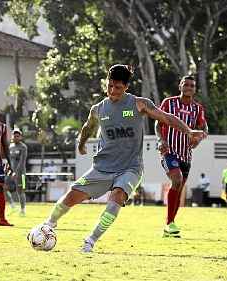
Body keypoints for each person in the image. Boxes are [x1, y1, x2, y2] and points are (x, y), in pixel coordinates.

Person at [39, 64, 205, 253]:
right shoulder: (98, 108)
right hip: (102, 167)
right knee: (71, 196)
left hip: (130, 168)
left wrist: (189, 131)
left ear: (126, 87)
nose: (112, 91)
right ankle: (48, 225)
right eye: (109, 86)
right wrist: (81, 143)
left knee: (117, 195)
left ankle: (90, 241)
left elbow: (167, 118)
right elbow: (87, 127)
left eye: (117, 87)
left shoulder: (139, 103)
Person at [155, 75, 208, 238]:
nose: (189, 88)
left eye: (192, 85)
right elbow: (158, 123)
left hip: (186, 154)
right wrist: (161, 139)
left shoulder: (197, 109)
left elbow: (204, 128)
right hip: (169, 151)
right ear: (180, 86)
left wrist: (198, 139)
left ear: (194, 89)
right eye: (186, 85)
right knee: (176, 180)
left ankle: (169, 226)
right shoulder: (168, 103)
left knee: (178, 190)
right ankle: (170, 224)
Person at [5, 128, 28, 216]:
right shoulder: (10, 146)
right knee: (3, 187)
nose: (16, 137)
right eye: (14, 136)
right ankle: (12, 206)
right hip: (10, 172)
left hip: (21, 173)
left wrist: (16, 172)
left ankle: (22, 210)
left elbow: (22, 161)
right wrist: (6, 167)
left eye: (18, 136)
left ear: (20, 137)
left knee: (20, 191)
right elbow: (9, 159)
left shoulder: (23, 147)